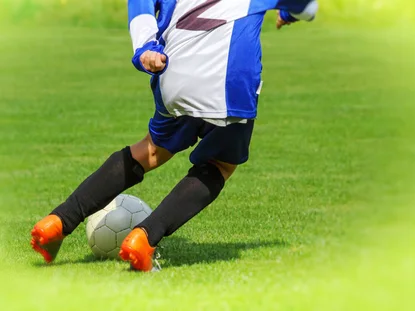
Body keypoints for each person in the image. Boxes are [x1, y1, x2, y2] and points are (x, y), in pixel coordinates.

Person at [30, 0, 319, 272]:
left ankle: (57, 221)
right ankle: (145, 238)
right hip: (229, 77)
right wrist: (287, 14)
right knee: (220, 164)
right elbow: (309, 6)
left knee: (151, 151)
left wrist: (145, 47)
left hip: (173, 70)